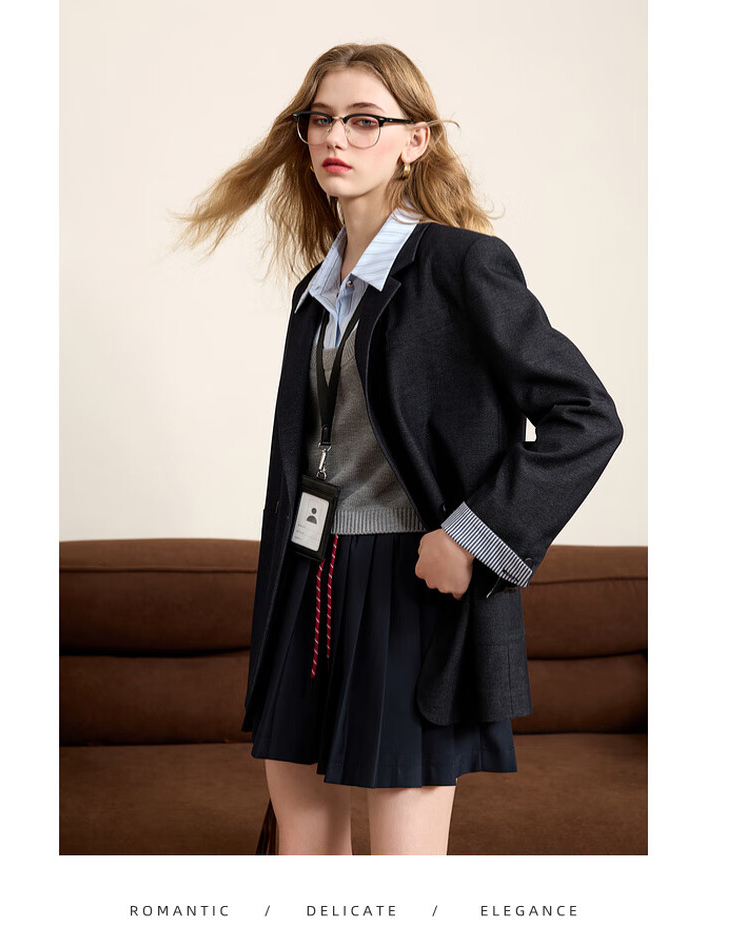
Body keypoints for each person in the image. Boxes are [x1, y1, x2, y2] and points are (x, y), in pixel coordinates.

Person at [173, 42, 624, 855]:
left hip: (410, 586)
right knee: (301, 843)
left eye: (363, 120)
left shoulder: (459, 265)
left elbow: (586, 415)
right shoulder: (316, 294)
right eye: (321, 119)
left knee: (400, 872)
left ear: (415, 140)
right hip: (305, 577)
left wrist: (472, 537)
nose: (334, 137)